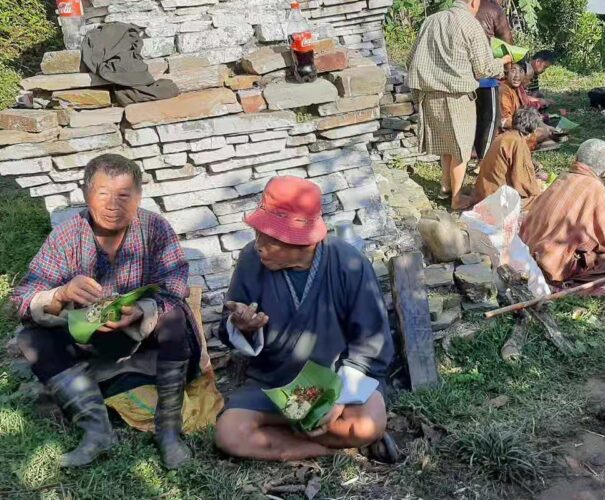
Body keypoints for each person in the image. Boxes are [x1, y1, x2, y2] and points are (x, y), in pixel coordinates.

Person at [11, 153, 199, 470]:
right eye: (103, 194)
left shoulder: (154, 228)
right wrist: (60, 294)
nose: (113, 205)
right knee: (31, 338)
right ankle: (97, 431)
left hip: (149, 345)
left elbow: (176, 281)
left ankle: (168, 431)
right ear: (86, 194)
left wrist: (141, 311)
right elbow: (22, 299)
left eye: (124, 195)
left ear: (139, 197)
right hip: (93, 349)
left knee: (173, 314)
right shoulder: (66, 236)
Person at [214, 176, 397, 463]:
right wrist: (240, 326)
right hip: (275, 382)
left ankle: (328, 431)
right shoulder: (252, 258)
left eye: (270, 238)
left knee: (368, 423)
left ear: (303, 241)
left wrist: (337, 401)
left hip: (335, 380)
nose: (259, 245)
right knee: (230, 433)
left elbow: (371, 345)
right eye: (258, 234)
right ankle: (330, 447)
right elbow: (229, 324)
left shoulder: (348, 264)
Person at [407, 0, 512, 210]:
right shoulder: (470, 24)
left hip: (429, 94)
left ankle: (445, 186)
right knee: (461, 150)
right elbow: (483, 69)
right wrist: (503, 60)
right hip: (457, 97)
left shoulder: (431, 21)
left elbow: (411, 58)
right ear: (473, 2)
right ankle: (456, 199)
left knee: (445, 143)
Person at [520, 139, 605, 284]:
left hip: (524, 253)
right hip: (550, 266)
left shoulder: (563, 177)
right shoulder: (595, 188)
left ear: (576, 158)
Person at [472, 107, 544, 208]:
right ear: (532, 129)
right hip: (496, 199)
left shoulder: (504, 136)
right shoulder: (518, 142)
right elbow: (521, 179)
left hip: (482, 192)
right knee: (541, 199)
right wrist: (537, 188)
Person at [473, 0, 513, 162]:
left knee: (472, 117)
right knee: (490, 120)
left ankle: (471, 154)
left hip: (463, 75)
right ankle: (484, 162)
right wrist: (508, 70)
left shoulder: (462, 7)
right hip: (485, 76)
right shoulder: (494, 9)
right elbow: (507, 42)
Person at [499, 63, 552, 149]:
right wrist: (531, 128)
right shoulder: (504, 90)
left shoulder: (518, 88)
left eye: (520, 71)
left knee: (546, 132)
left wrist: (544, 126)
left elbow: (526, 111)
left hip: (519, 128)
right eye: (513, 71)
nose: (517, 75)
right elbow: (504, 121)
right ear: (506, 73)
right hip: (507, 132)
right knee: (543, 134)